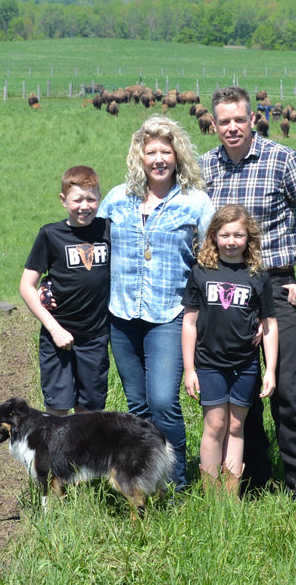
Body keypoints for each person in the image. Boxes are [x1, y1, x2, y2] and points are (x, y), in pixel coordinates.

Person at [199, 86, 296, 504]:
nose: (231, 128)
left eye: (239, 120)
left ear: (252, 119)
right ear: (214, 123)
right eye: (223, 121)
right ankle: (252, 485)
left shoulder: (282, 160)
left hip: (275, 287)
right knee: (240, 394)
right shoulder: (205, 168)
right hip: (223, 293)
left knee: (286, 391)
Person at [98, 115, 215, 488]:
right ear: (140, 156)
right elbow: (94, 249)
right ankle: (147, 483)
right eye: (152, 151)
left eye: (166, 150)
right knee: (138, 409)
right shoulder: (117, 198)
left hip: (170, 315)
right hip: (122, 314)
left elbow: (211, 259)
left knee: (164, 402)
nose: (159, 158)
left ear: (177, 155)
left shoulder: (195, 202)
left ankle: (178, 484)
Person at [182, 204, 278, 497]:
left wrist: (270, 370)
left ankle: (230, 496)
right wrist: (190, 368)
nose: (232, 241)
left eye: (239, 235)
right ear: (214, 236)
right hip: (209, 363)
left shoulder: (257, 275)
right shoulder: (201, 272)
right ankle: (211, 494)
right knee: (215, 425)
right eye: (225, 235)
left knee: (236, 426)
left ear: (249, 239)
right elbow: (189, 322)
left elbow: (269, 324)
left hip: (246, 365)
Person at [19, 166, 111, 416]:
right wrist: (55, 329)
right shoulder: (50, 235)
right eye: (77, 199)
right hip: (57, 337)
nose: (85, 206)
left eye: (91, 199)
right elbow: (26, 286)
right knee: (57, 410)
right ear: (63, 200)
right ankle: (57, 457)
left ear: (99, 199)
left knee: (89, 413)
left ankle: (84, 457)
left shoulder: (107, 230)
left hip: (95, 338)